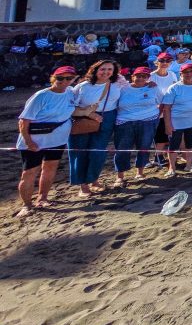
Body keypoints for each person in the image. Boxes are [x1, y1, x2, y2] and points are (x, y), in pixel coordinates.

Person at [15, 66, 80, 218]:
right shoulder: (41, 96)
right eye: (60, 78)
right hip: (35, 141)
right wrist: (29, 142)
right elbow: (24, 121)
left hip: (57, 139)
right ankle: (26, 205)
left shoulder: (70, 93)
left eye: (69, 78)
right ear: (53, 78)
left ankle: (43, 198)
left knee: (50, 168)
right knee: (29, 172)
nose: (64, 81)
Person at [69, 59, 123, 198]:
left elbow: (136, 86)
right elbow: (70, 106)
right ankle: (83, 185)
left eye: (109, 69)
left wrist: (150, 83)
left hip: (108, 118)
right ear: (95, 70)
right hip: (84, 119)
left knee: (98, 151)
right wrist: (90, 113)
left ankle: (93, 179)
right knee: (81, 151)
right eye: (102, 69)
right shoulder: (84, 86)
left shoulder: (117, 84)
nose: (106, 72)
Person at [112, 67, 163, 184]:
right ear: (132, 76)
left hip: (148, 121)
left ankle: (140, 172)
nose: (140, 78)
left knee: (144, 147)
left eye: (144, 76)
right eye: (138, 75)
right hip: (124, 121)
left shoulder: (153, 87)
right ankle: (120, 175)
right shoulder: (123, 88)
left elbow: (163, 102)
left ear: (148, 78)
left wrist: (156, 116)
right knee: (122, 148)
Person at [161, 62, 192, 176]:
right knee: (174, 145)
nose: (189, 74)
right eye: (186, 72)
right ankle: (172, 168)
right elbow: (167, 108)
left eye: (191, 71)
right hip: (176, 122)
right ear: (181, 74)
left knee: (190, 143)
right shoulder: (174, 88)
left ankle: (189, 165)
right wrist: (168, 125)